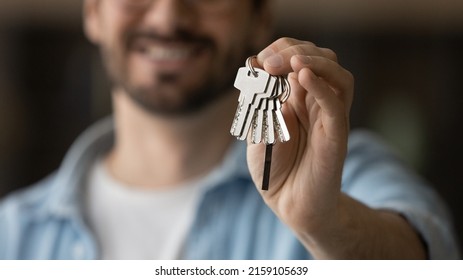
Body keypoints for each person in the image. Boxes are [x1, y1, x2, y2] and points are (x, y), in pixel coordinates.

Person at [0, 0, 459, 259]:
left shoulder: (345, 172)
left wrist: (328, 224)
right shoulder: (14, 234)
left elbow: (426, 259)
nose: (167, 18)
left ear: (259, 18)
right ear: (93, 13)